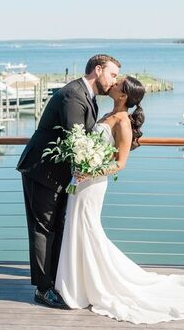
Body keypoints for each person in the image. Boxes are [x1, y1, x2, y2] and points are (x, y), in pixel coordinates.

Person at [55, 76, 184, 323]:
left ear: (123, 95)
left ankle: (90, 285)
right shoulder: (107, 113)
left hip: (92, 183)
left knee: (87, 229)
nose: (111, 84)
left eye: (117, 84)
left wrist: (91, 170)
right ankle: (77, 283)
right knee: (77, 228)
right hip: (81, 180)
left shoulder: (123, 121)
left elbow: (120, 163)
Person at [16, 54, 121, 309]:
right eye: (113, 74)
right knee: (44, 228)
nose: (114, 81)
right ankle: (43, 289)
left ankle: (57, 280)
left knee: (58, 227)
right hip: (42, 169)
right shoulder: (73, 95)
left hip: (59, 173)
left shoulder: (88, 96)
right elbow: (78, 141)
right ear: (98, 70)